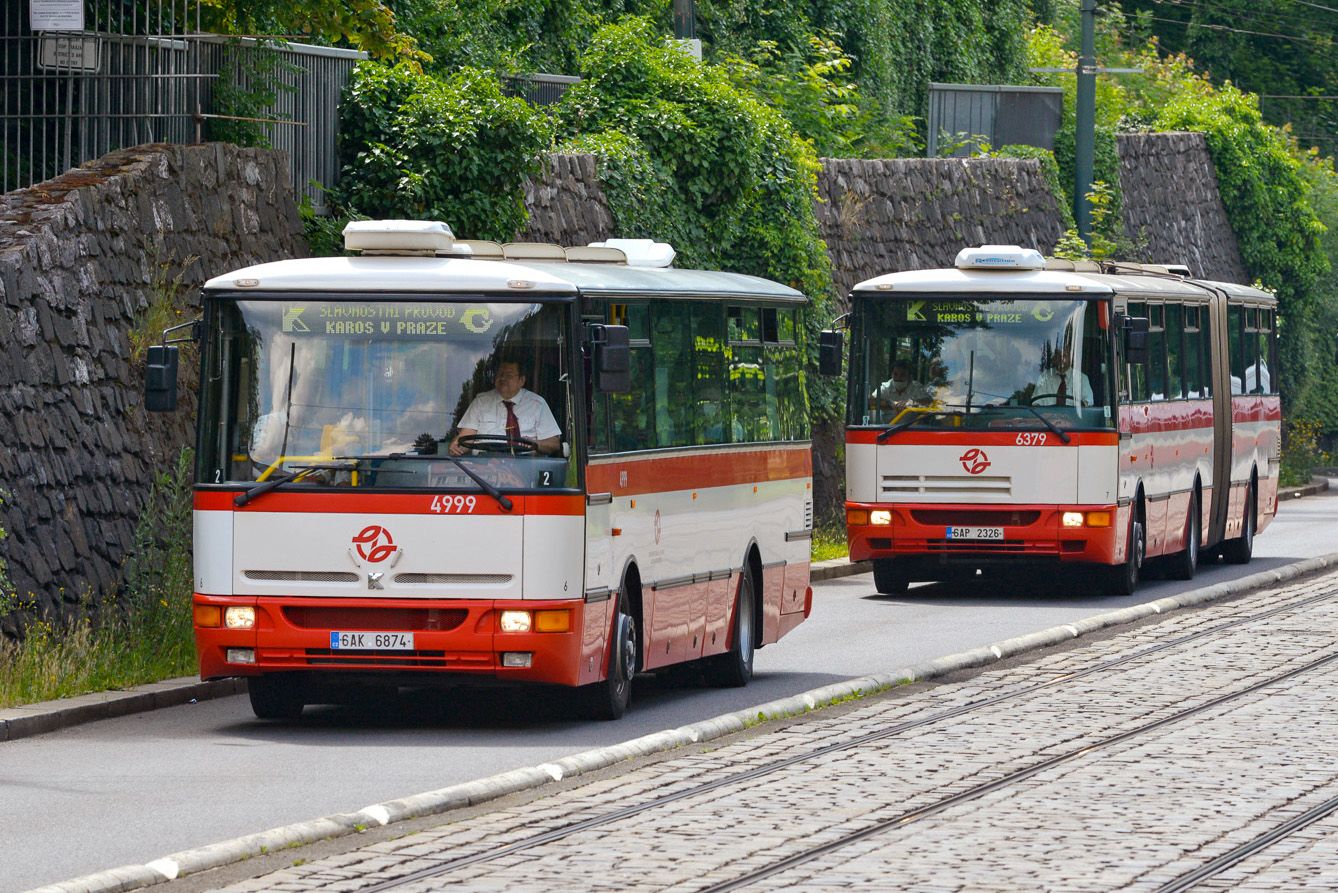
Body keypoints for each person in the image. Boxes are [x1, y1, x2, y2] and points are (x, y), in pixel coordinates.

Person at [447, 360, 561, 456]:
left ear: (521, 380)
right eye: (500, 374)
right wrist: (457, 447)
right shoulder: (481, 401)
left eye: (509, 375)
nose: (502, 379)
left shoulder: (537, 404)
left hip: (525, 467)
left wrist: (535, 444)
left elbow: (554, 444)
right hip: (484, 467)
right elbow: (467, 436)